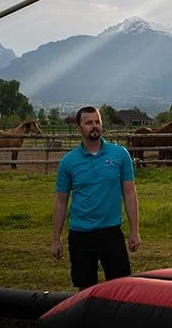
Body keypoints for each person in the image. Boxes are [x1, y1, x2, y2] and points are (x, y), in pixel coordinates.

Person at [51, 106, 141, 290]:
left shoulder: (120, 155)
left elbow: (130, 194)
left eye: (97, 121)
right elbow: (61, 201)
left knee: (120, 286)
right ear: (79, 128)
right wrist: (56, 238)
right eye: (88, 122)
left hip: (111, 233)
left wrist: (134, 230)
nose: (94, 126)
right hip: (80, 235)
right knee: (85, 288)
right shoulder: (69, 162)